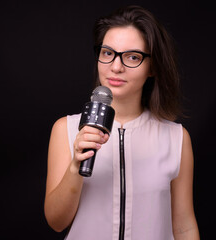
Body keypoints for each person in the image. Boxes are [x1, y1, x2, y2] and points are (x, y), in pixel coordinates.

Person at [44, 5, 200, 240]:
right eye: (108, 53)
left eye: (132, 57)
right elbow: (56, 222)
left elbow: (184, 226)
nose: (116, 67)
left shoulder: (176, 139)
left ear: (153, 67)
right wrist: (76, 165)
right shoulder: (65, 129)